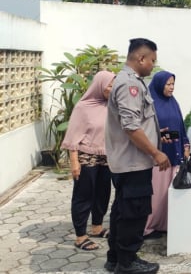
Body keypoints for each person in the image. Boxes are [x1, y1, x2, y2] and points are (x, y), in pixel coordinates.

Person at [105, 38, 170, 274]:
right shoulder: (129, 84)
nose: (153, 65)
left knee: (122, 210)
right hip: (133, 163)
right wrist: (155, 152)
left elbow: (139, 122)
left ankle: (115, 258)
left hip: (128, 162)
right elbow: (131, 126)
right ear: (140, 58)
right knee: (135, 212)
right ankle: (127, 262)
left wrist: (157, 135)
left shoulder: (130, 82)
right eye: (152, 60)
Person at [61, 70, 115, 251]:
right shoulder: (83, 107)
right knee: (84, 196)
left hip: (106, 157)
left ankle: (97, 227)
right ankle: (80, 236)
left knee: (103, 193)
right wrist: (74, 162)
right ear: (100, 85)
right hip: (86, 157)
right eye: (110, 85)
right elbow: (72, 137)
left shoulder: (111, 105)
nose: (112, 88)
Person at [143, 71, 190, 239]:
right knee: (156, 194)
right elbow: (146, 131)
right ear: (159, 84)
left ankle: (164, 225)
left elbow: (180, 126)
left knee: (168, 194)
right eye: (168, 84)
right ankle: (148, 227)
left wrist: (185, 144)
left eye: (173, 84)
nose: (171, 88)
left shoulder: (173, 102)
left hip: (174, 152)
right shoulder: (150, 103)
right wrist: (165, 139)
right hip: (158, 155)